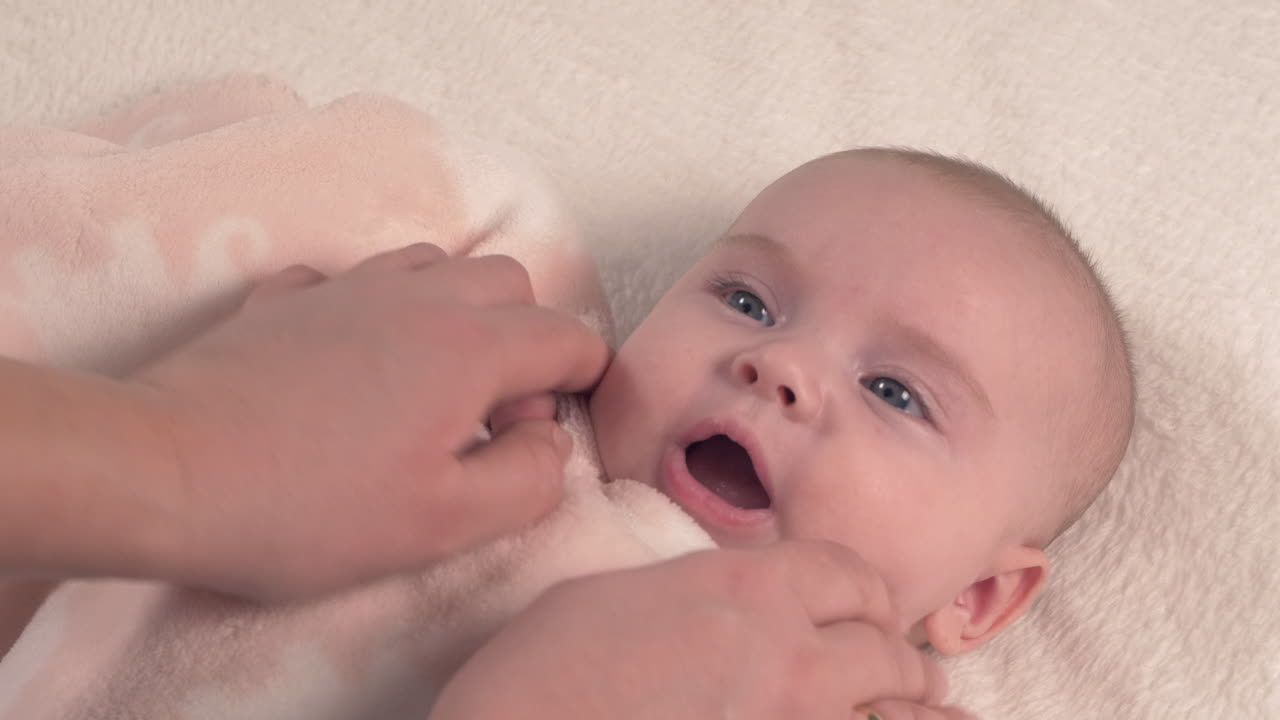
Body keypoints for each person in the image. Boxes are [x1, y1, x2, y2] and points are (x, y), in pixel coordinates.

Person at [2, 146, 1134, 720]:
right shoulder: (492, 444)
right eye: (744, 301)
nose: (776, 364)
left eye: (896, 392)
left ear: (977, 601)